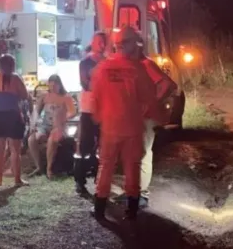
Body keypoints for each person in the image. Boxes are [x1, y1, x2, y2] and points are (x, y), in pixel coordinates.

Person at [89, 26, 156, 221]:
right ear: (130, 44)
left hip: (110, 127)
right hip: (132, 127)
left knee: (106, 167)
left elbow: (95, 97)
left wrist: (99, 118)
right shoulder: (138, 69)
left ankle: (99, 209)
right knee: (132, 168)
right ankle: (132, 212)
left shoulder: (103, 68)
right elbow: (149, 97)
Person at [136, 51, 178, 207]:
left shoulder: (146, 64)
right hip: (138, 116)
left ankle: (142, 194)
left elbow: (168, 84)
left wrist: (151, 103)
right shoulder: (135, 65)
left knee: (143, 153)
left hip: (146, 116)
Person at [0, 54, 31, 187]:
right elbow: (25, 95)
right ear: (12, 66)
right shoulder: (16, 78)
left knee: (0, 149)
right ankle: (17, 179)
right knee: (15, 150)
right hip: (13, 115)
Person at [74, 32, 108, 195]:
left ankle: (99, 179)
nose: (101, 45)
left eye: (103, 42)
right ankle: (80, 180)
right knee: (85, 145)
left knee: (104, 145)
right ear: (93, 43)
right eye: (99, 42)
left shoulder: (108, 62)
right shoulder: (85, 62)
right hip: (88, 109)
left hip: (105, 110)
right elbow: (85, 84)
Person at [28, 74, 76, 179]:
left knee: (52, 139)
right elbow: (36, 112)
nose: (53, 87)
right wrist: (33, 124)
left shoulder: (66, 97)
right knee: (32, 139)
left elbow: (72, 112)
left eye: (55, 85)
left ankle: (49, 169)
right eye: (51, 85)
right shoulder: (44, 96)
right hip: (45, 126)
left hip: (59, 126)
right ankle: (38, 167)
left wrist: (63, 117)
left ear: (59, 85)